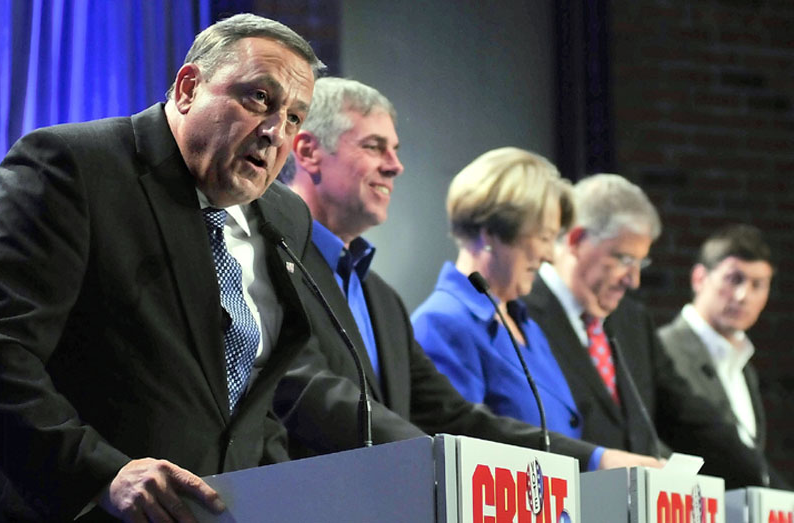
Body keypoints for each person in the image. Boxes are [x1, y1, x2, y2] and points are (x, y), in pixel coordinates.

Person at [0, 14, 322, 521]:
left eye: (296, 117)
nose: (276, 132)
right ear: (189, 87)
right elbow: (4, 347)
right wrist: (101, 473)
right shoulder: (72, 166)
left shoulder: (286, 216)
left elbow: (255, 397)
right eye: (259, 98)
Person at [274, 76, 662, 472]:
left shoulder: (382, 299)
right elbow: (304, 391)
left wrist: (595, 458)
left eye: (395, 149)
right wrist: (431, 455)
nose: (395, 166)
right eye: (374, 147)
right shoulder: (271, 262)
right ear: (308, 151)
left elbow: (454, 417)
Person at [522, 173, 775, 487]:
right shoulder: (520, 310)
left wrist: (770, 485)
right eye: (624, 259)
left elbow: (688, 419)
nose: (633, 280)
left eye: (640, 264)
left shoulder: (631, 321)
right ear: (576, 240)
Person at [411, 148, 585, 441]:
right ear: (491, 232)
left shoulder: (525, 323)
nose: (550, 256)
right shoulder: (442, 322)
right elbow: (463, 449)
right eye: (544, 237)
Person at [658, 224, 788, 487]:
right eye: (734, 279)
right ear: (699, 279)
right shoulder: (662, 349)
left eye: (758, 285)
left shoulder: (744, 369)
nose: (743, 296)